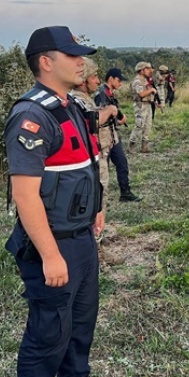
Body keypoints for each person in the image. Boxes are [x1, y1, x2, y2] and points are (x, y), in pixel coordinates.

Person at [3, 25, 117, 377]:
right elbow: (25, 195)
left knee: (82, 323)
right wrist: (51, 256)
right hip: (51, 244)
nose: (81, 62)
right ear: (46, 62)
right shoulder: (32, 116)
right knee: (49, 333)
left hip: (81, 238)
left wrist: (95, 209)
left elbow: (82, 167)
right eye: (72, 55)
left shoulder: (73, 107)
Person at [71, 59, 127, 265]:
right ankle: (95, 253)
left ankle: (95, 249)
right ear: (82, 80)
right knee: (96, 204)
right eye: (93, 77)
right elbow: (91, 121)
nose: (97, 81)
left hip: (98, 155)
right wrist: (110, 111)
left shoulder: (83, 97)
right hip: (92, 160)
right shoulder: (78, 99)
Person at [94, 67, 142, 203]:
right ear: (111, 79)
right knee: (104, 167)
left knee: (122, 163)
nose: (120, 83)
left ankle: (125, 192)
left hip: (113, 134)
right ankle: (100, 198)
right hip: (104, 136)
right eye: (119, 80)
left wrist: (118, 120)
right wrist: (118, 120)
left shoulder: (109, 93)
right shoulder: (101, 95)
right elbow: (100, 117)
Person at [128, 61, 160, 153]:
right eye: (147, 69)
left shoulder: (146, 80)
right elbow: (141, 94)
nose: (150, 70)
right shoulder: (137, 81)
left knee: (147, 125)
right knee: (139, 125)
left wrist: (155, 100)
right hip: (141, 105)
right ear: (141, 70)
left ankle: (144, 146)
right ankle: (131, 146)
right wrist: (151, 90)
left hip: (148, 104)